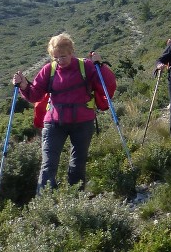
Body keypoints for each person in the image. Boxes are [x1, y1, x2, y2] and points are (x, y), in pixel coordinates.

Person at [12, 33, 115, 192]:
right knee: (48, 165)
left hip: (83, 122)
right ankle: (45, 202)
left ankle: (75, 198)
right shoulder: (49, 70)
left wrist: (100, 65)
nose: (59, 61)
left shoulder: (86, 66)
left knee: (78, 163)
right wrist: (24, 86)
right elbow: (35, 95)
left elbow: (107, 85)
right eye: (56, 57)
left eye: (63, 56)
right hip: (54, 123)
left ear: (72, 52)